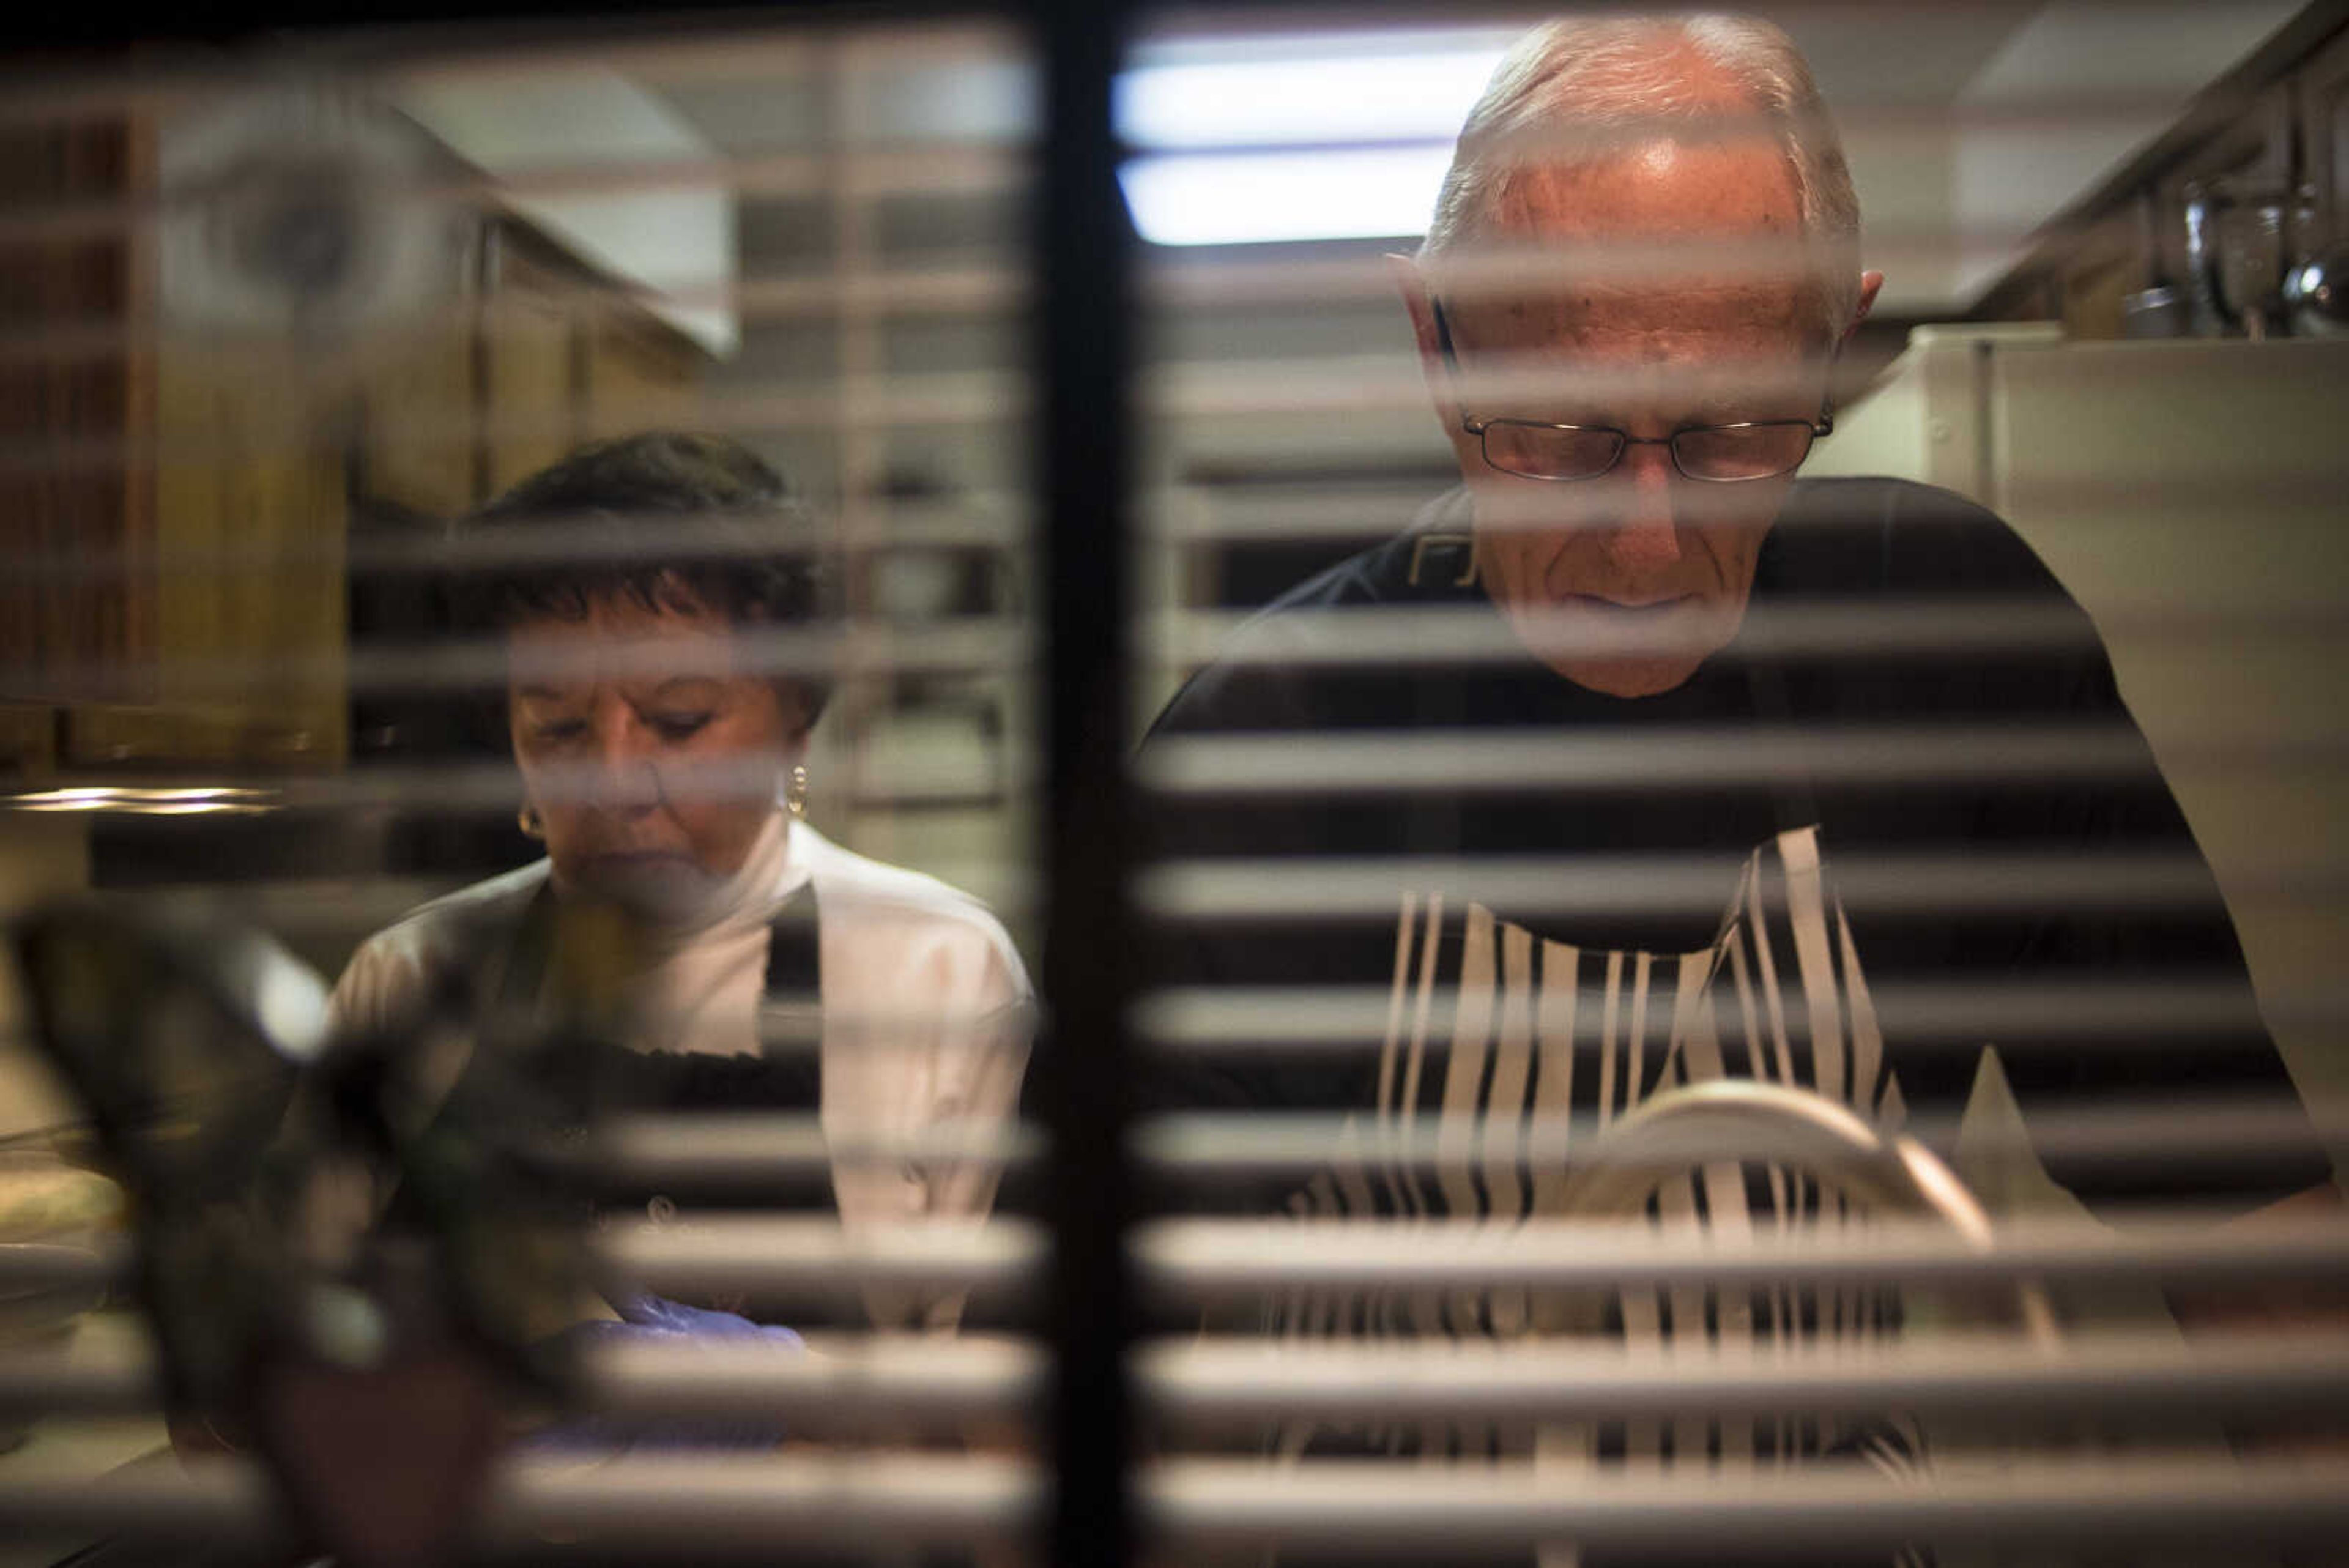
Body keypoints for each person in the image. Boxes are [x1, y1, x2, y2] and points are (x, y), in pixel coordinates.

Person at [1143, 7, 2337, 1520]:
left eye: (1733, 434)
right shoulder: (1273, 753)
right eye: (1564, 436)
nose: (1651, 539)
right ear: (1438, 346)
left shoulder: (1958, 654)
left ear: (1839, 330)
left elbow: (2247, 1247)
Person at [327, 431, 1033, 1336]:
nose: (616, 784)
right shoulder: (410, 979)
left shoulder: (938, 974)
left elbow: (977, 1422)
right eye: (560, 729)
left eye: (677, 722)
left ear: (794, 727)